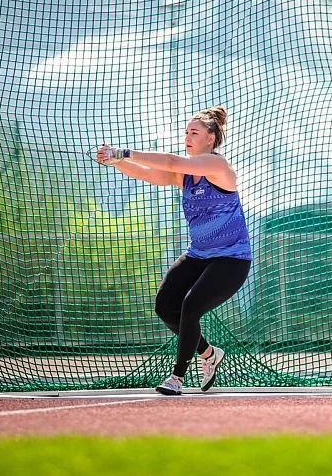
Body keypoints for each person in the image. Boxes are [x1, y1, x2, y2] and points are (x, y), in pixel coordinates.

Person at [96, 106, 252, 395]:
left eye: (194, 133)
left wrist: (123, 152)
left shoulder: (218, 167)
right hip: (198, 255)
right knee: (165, 305)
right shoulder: (186, 176)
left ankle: (177, 378)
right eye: (186, 133)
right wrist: (114, 162)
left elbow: (168, 160)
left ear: (211, 138)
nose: (187, 138)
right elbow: (151, 174)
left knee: (190, 306)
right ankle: (209, 354)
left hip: (231, 259)